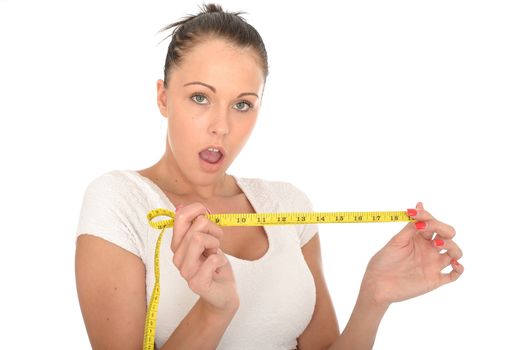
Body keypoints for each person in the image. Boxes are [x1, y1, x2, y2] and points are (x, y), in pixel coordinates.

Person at [75, 3, 464, 349]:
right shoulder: (122, 202)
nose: (221, 126)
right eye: (200, 97)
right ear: (163, 97)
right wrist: (214, 311)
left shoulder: (288, 206)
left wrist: (373, 300)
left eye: (243, 104)